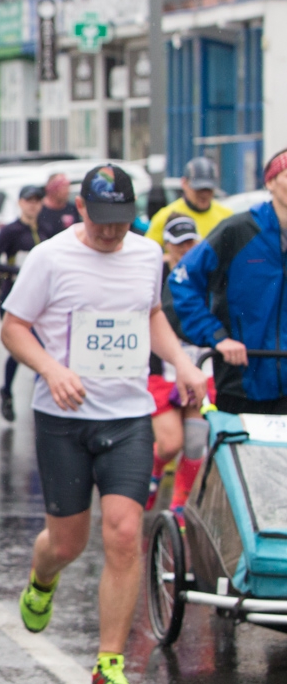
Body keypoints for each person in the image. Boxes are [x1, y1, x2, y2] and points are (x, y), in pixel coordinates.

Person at [1, 165, 206, 684]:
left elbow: (152, 315)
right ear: (82, 211)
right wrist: (52, 370)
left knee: (122, 533)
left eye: (122, 222)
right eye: (102, 222)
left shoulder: (145, 255)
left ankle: (109, 665)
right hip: (63, 418)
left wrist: (181, 362)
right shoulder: (49, 257)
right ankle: (41, 579)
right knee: (67, 543)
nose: (112, 234)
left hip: (128, 415)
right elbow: (12, 327)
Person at [169, 147, 287, 417]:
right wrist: (216, 337)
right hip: (241, 385)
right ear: (270, 182)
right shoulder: (237, 231)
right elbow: (180, 284)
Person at [147, 214, 208, 513]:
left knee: (196, 443)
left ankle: (179, 509)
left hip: (196, 369)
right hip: (162, 371)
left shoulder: (205, 275)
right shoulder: (154, 275)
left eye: (190, 242)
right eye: (178, 243)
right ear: (167, 244)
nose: (185, 249)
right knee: (171, 443)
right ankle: (153, 472)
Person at [0, 185, 45, 422]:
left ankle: (43, 393)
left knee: (41, 344)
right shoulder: (11, 230)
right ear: (20, 203)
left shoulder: (46, 228)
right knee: (20, 345)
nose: (33, 205)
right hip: (14, 295)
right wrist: (18, 270)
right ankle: (7, 391)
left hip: (41, 297)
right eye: (28, 200)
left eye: (37, 201)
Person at [145, 156, 231, 245]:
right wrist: (170, 258)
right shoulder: (165, 217)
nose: (204, 194)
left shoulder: (226, 216)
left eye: (208, 189)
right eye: (198, 189)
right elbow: (149, 253)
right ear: (184, 183)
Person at [36, 172, 78, 239]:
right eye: (64, 187)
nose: (67, 191)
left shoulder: (72, 208)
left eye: (68, 187)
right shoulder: (38, 210)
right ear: (53, 189)